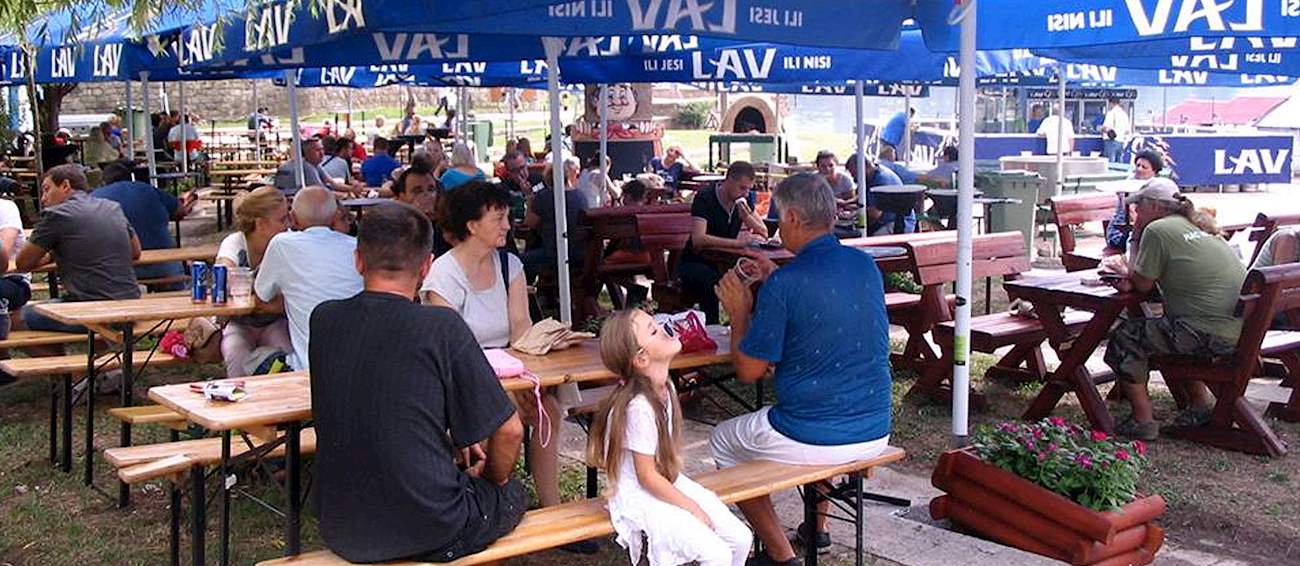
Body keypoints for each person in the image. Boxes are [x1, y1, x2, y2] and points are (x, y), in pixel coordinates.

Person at [310, 201, 526, 563]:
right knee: (512, 494)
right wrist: (491, 480)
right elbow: (510, 430)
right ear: (427, 266)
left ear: (358, 261)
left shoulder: (324, 319)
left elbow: (385, 393)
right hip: (432, 525)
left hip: (342, 524)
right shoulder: (440, 327)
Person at [712, 173, 892, 566]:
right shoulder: (864, 265)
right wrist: (775, 279)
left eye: (778, 217)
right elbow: (827, 312)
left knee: (724, 440)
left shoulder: (787, 283)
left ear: (792, 217)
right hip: (876, 426)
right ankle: (818, 527)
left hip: (815, 433)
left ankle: (782, 556)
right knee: (819, 409)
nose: (777, 226)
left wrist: (740, 311)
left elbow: (749, 372)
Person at [419, 182, 591, 554]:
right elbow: (451, 352)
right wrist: (506, 390)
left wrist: (535, 370)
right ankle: (489, 507)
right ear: (471, 225)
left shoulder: (509, 265)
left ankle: (551, 511)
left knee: (548, 410)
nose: (508, 226)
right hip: (459, 383)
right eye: (498, 218)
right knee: (504, 416)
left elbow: (521, 332)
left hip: (507, 373)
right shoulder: (443, 275)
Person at [588, 309, 752, 566]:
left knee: (740, 538)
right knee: (716, 554)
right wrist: (692, 508)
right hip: (638, 495)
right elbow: (646, 476)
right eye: (654, 330)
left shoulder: (666, 388)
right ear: (641, 358)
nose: (665, 328)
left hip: (665, 480)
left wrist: (691, 504)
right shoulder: (639, 407)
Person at [1103, 178, 1243, 441]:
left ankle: (1143, 420)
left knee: (1126, 336)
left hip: (1208, 333)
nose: (1136, 211)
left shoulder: (1157, 230)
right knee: (1168, 328)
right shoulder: (1197, 224)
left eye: (1139, 206)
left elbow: (1142, 284)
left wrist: (1135, 238)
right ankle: (1200, 405)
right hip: (1237, 330)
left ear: (1155, 207)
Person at [17, 165, 141, 334]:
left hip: (90, 308)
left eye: (46, 190)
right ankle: (98, 346)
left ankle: (59, 353)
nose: (43, 199)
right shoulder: (112, 207)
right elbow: (135, 251)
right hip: (130, 304)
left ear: (65, 185)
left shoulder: (57, 214)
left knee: (16, 318)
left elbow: (22, 263)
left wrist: (51, 255)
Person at [253, 186, 364, 370]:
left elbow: (261, 297)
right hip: (358, 364)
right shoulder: (357, 248)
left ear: (293, 218)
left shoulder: (282, 244)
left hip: (307, 367)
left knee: (254, 360)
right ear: (334, 216)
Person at [215, 187, 293, 378]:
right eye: (282, 219)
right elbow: (222, 276)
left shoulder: (287, 243)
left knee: (288, 359)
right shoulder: (236, 242)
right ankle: (240, 396)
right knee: (236, 357)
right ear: (261, 224)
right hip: (238, 323)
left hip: (275, 322)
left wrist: (245, 287)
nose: (288, 225)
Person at [677, 161, 768, 324]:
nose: (746, 193)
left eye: (748, 189)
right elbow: (698, 239)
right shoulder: (706, 197)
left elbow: (764, 232)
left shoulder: (743, 200)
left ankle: (749, 326)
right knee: (710, 280)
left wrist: (747, 216)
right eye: (742, 188)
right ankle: (712, 327)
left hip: (724, 261)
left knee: (757, 277)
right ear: (729, 180)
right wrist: (737, 244)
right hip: (696, 261)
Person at [92, 160, 197, 287]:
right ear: (130, 177)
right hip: (163, 264)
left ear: (104, 181)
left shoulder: (94, 198)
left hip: (119, 270)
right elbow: (180, 210)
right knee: (182, 281)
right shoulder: (147, 189)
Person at [1105, 150, 1164, 254]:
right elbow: (1133, 215)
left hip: (1143, 230)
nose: (1139, 169)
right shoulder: (1129, 185)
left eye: (1144, 167)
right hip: (1120, 233)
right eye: (1138, 165)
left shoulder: (1157, 185)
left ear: (1154, 171)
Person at [846, 155, 915, 235]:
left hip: (897, 223)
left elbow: (874, 214)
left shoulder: (881, 180)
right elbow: (862, 196)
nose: (854, 178)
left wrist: (855, 212)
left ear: (864, 167)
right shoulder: (871, 175)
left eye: (854, 174)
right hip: (884, 221)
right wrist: (846, 203)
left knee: (866, 237)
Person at [275, 138, 360, 198]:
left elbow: (332, 183)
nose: (322, 153)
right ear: (307, 152)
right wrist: (346, 195)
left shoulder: (314, 165)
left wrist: (351, 189)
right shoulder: (306, 167)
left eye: (322, 149)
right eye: (317, 150)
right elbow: (321, 192)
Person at [1100, 97, 1132, 163]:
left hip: (1111, 141)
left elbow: (1106, 127)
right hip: (1121, 141)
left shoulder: (1111, 113)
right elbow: (1127, 131)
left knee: (1110, 163)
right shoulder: (1124, 114)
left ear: (1111, 103)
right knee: (1119, 163)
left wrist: (1100, 128)